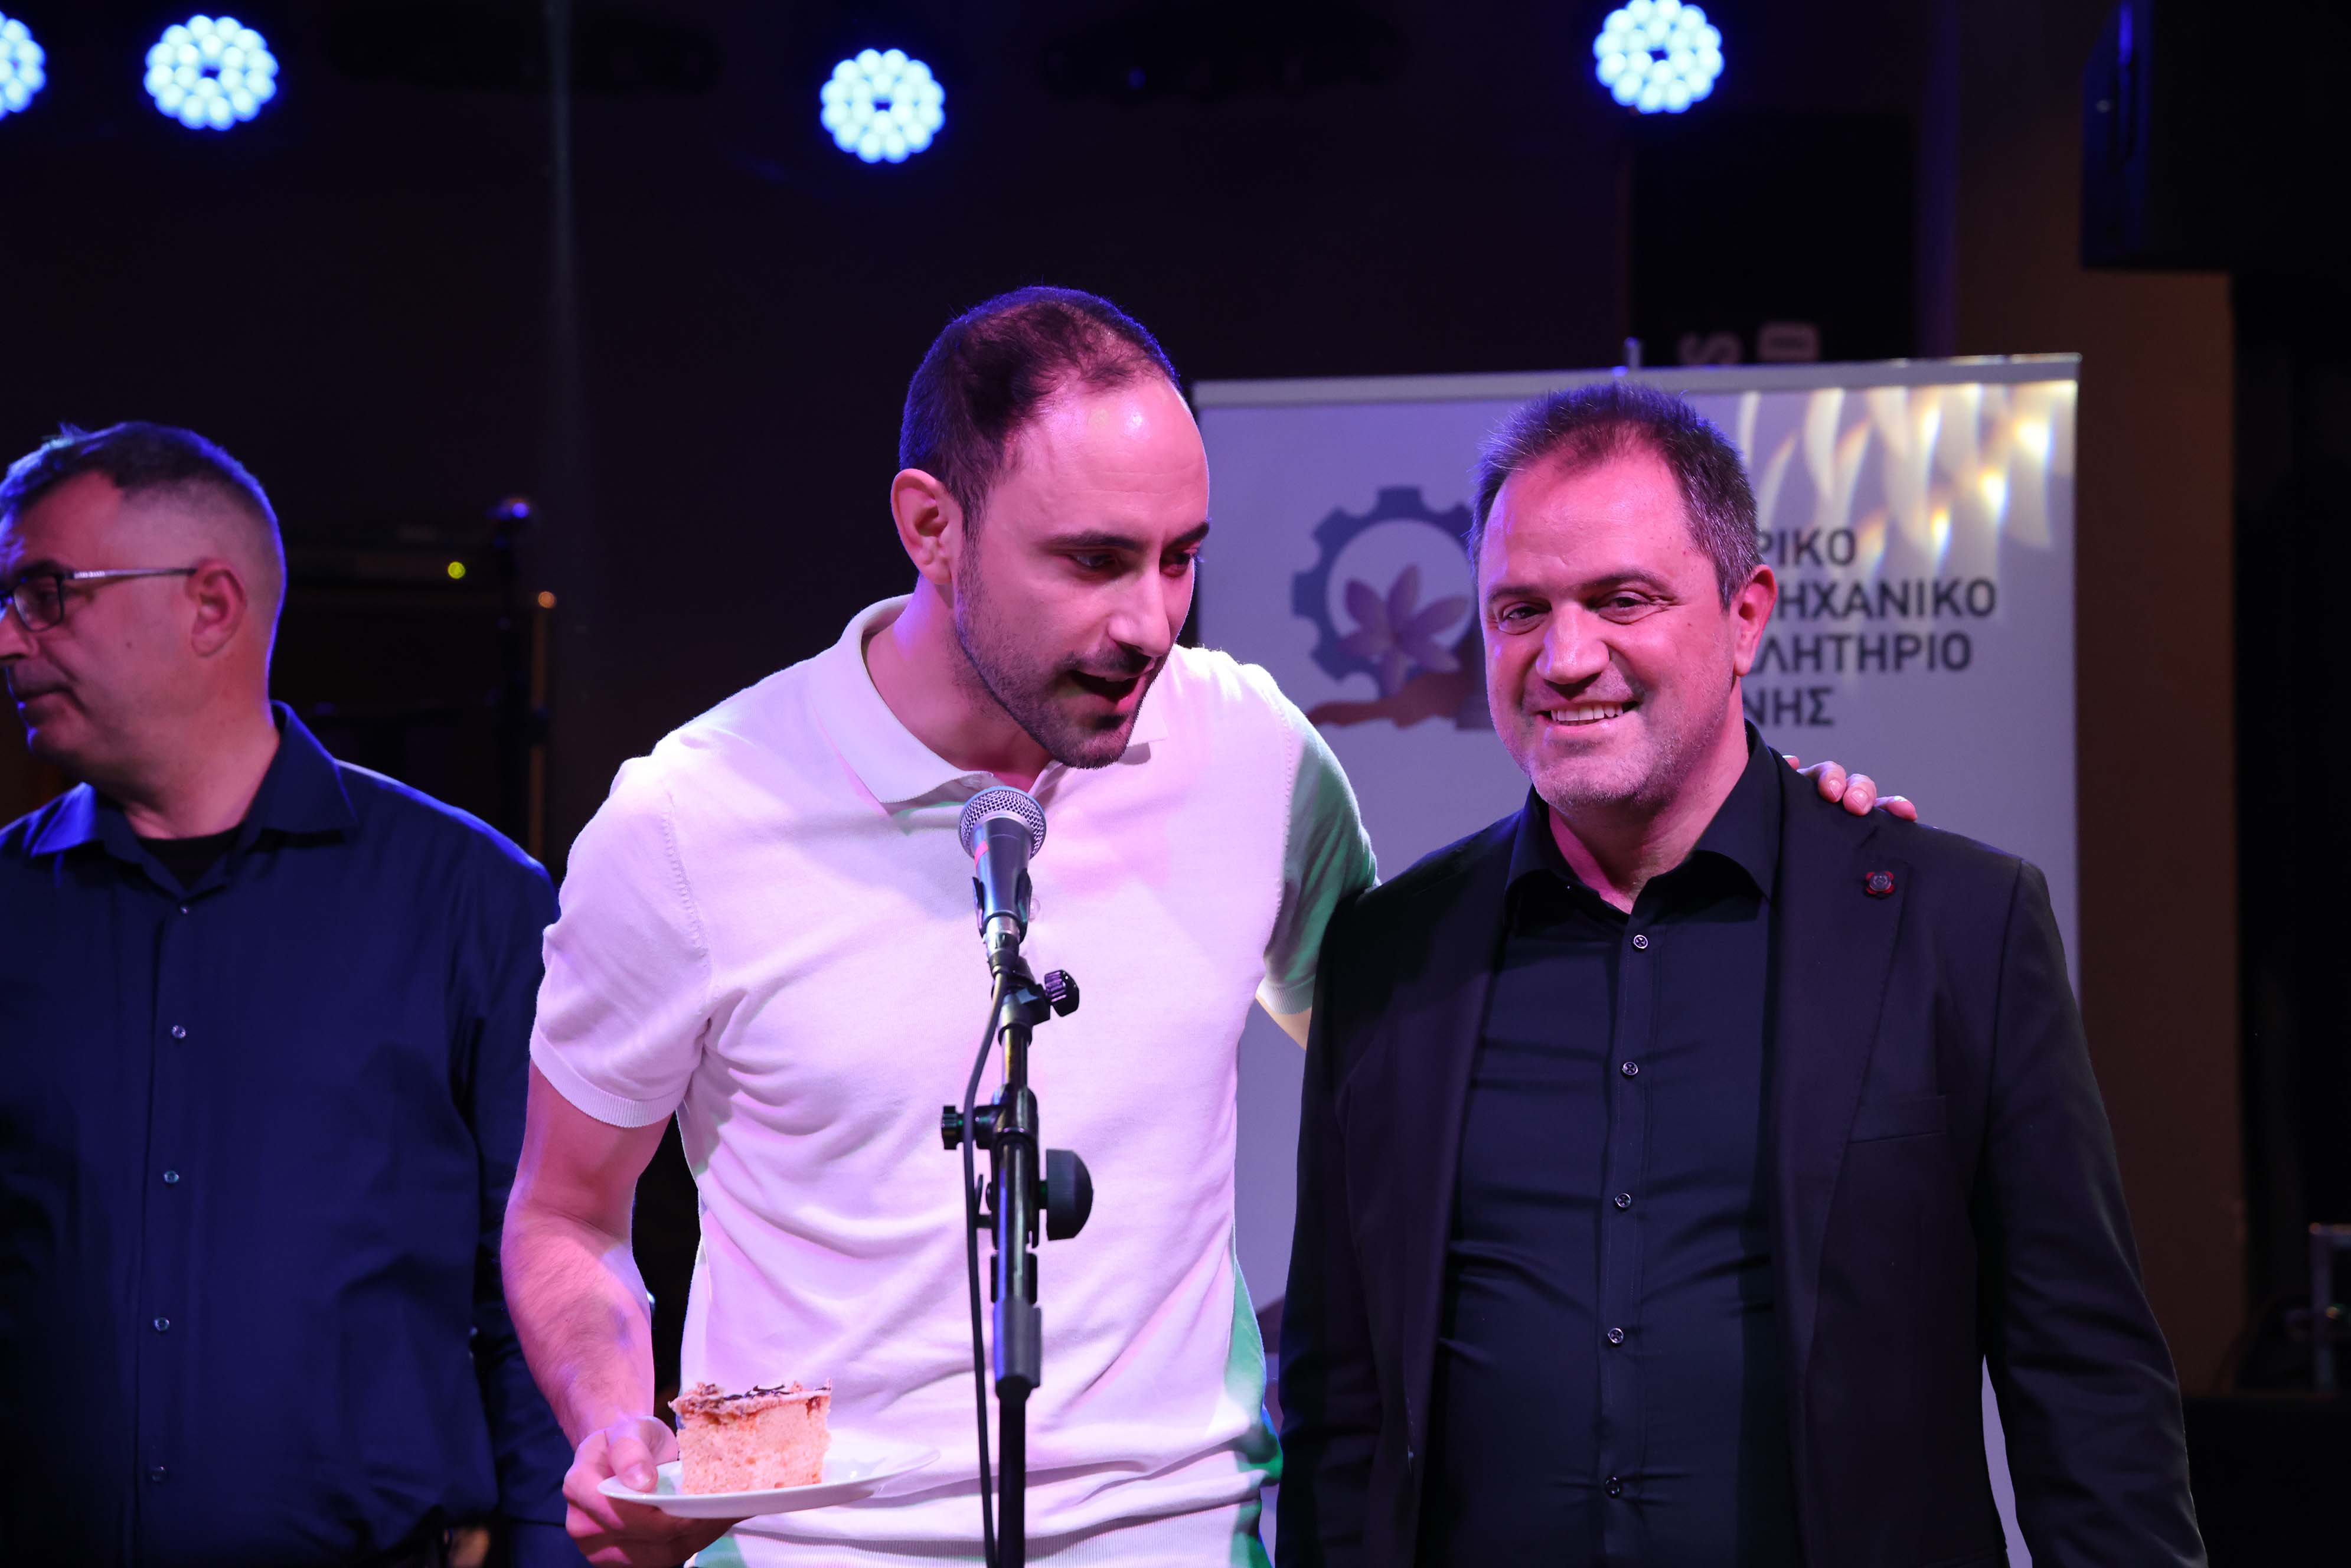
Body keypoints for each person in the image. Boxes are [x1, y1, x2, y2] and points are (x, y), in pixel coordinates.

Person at [503, 289, 1901, 1568]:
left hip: (1180, 1530)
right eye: (1093, 560)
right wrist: (615, 1421)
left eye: (1179, 559)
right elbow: (567, 1214)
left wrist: (1765, 822)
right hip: (805, 1537)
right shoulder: (690, 818)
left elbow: (1442, 1050)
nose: (1148, 621)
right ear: (931, 526)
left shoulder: (1248, 753)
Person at [1276, 383, 2207, 1567]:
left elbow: (2085, 1386)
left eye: (1622, 599)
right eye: (1519, 610)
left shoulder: (1954, 929)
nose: (1566, 657)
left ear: (1744, 614)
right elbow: (1341, 1403)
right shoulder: (1391, 954)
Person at [0, 424, 580, 1567]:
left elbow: (545, 1274)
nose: (11, 636)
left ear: (211, 604)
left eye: (47, 592)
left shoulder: (468, 899)